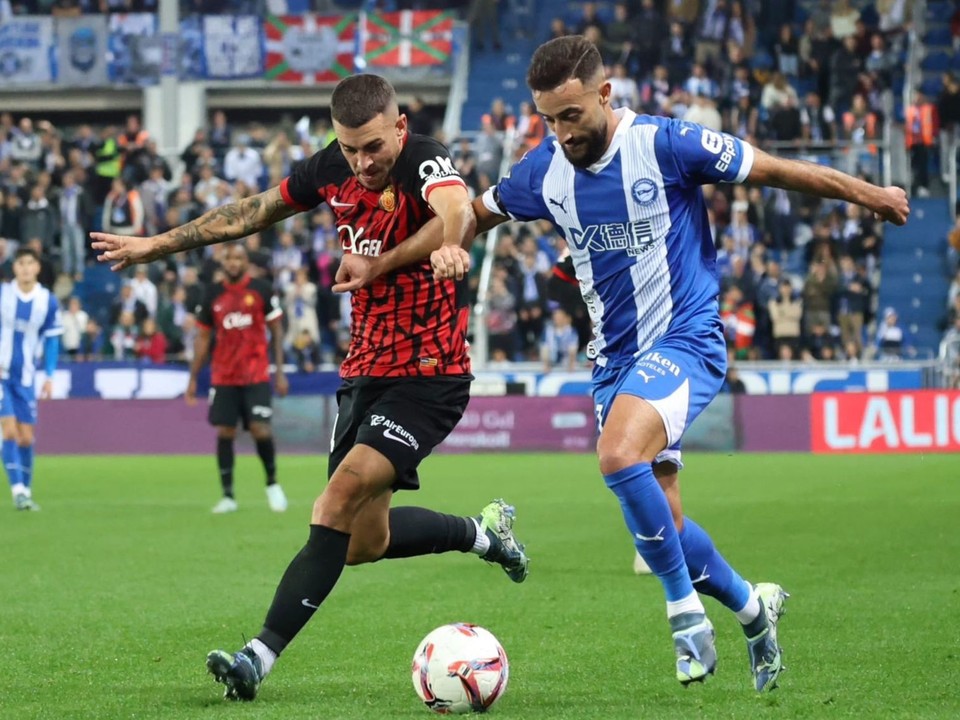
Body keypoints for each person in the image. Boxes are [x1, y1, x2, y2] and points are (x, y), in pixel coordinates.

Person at [362, 36, 908, 691]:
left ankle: (686, 621)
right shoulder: (544, 171)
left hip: (686, 341)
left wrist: (870, 194)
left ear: (604, 94)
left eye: (572, 116)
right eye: (548, 119)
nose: (562, 132)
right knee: (667, 521)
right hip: (614, 364)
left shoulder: (668, 145)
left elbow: (778, 170)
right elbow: (475, 214)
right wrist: (442, 246)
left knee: (618, 456)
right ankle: (753, 609)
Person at [91, 73, 529, 703]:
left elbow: (457, 206)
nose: (363, 161)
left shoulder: (424, 157)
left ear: (399, 127)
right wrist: (154, 244)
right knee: (361, 542)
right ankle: (485, 534)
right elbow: (250, 213)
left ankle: (256, 658)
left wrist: (455, 246)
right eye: (350, 149)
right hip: (364, 373)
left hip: (430, 375)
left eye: (373, 146)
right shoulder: (331, 169)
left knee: (334, 502)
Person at [189, 243, 288, 514]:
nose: (233, 262)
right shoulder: (212, 294)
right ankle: (228, 496)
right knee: (225, 431)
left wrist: (279, 372)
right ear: (222, 262)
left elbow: (277, 331)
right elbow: (203, 338)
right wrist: (193, 378)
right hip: (224, 375)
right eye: (229, 258)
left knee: (260, 429)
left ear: (246, 262)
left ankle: (272, 484)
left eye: (238, 258)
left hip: (255, 372)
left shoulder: (262, 289)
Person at [0, 248, 63, 511]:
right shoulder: (3, 294)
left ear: (37, 268)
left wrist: (49, 375)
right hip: (1, 374)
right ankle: (17, 491)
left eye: (30, 263)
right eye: (20, 263)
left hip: (25, 377)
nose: (25, 268)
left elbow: (52, 341)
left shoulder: (47, 301)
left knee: (26, 437)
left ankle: (25, 489)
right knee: (10, 431)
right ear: (14, 268)